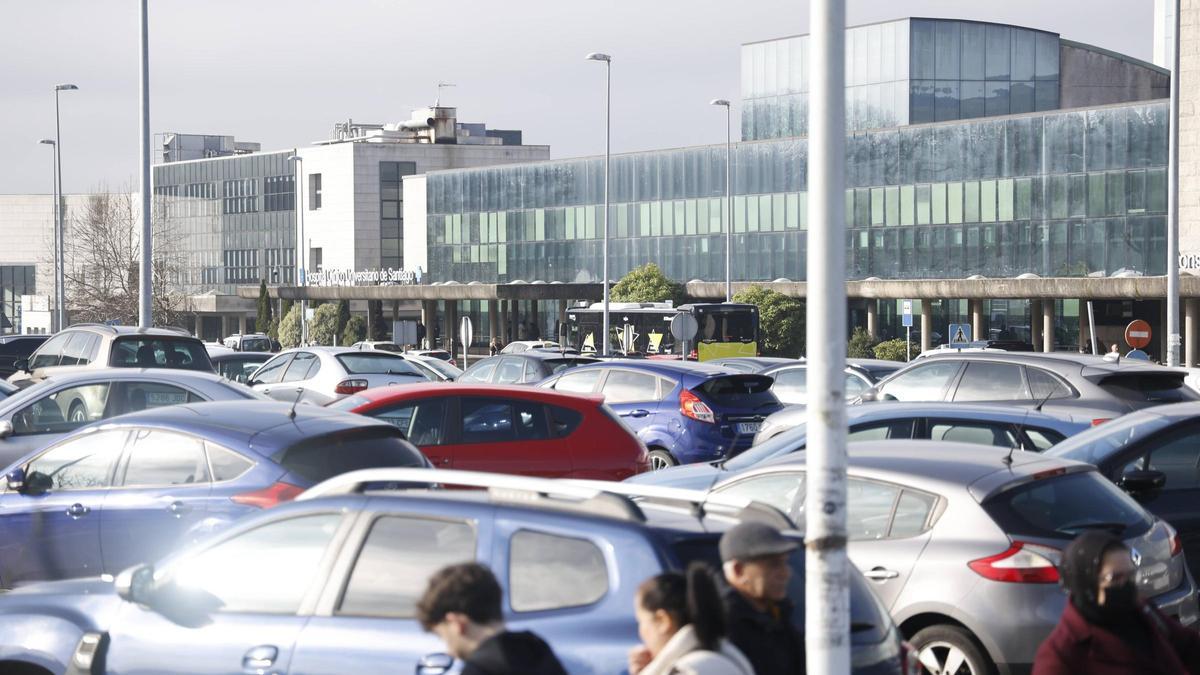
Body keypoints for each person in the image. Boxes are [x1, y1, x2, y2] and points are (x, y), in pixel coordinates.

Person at [1033, 530, 1200, 675]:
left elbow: (1188, 646)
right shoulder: (1060, 656)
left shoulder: (1141, 610)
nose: (1126, 585)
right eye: (1115, 578)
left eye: (1129, 575)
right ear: (1085, 583)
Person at [417, 562, 567, 675]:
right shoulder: (536, 648)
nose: (450, 652)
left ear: (457, 624)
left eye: (444, 637)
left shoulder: (480, 670)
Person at [628, 563, 754, 675]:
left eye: (641, 621)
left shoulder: (687, 669)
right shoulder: (726, 657)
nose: (641, 632)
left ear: (663, 620)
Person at [719, 521, 805, 675]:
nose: (785, 573)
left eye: (785, 563)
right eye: (774, 565)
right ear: (738, 570)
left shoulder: (778, 617)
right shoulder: (721, 628)